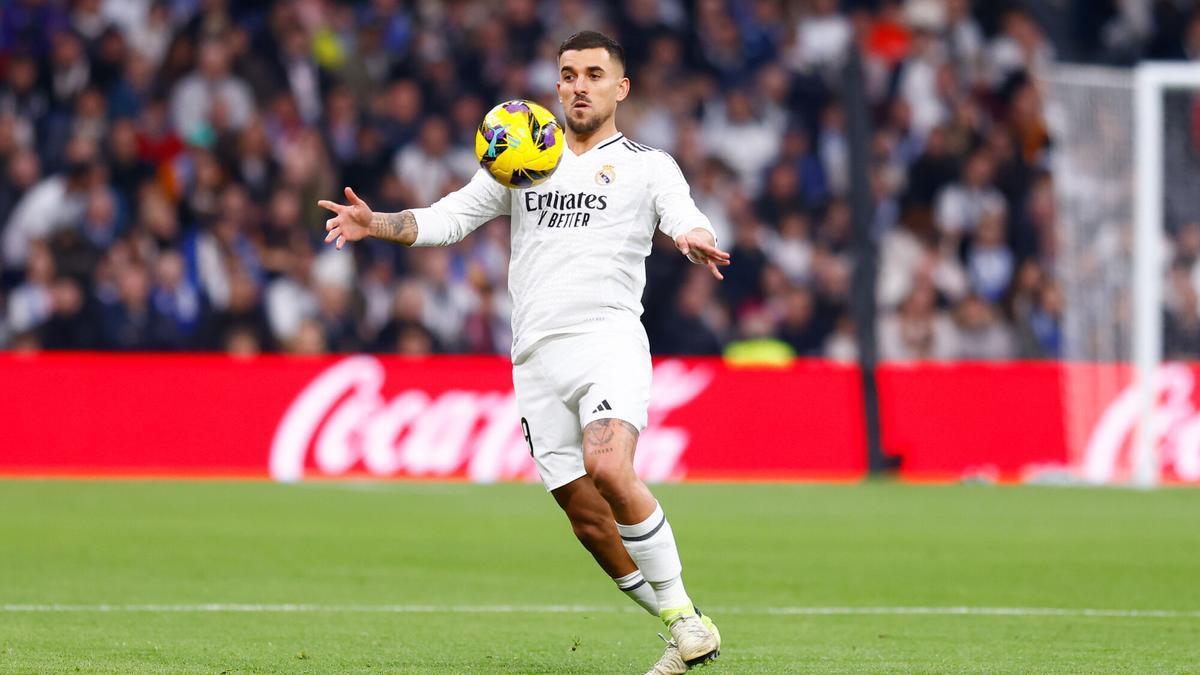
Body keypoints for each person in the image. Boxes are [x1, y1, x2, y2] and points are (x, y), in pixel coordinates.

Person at [318, 30, 729, 675]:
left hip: (607, 339)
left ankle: (681, 615)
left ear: (621, 88)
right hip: (535, 358)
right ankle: (684, 626)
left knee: (610, 468)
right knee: (588, 521)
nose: (579, 86)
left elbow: (683, 214)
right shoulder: (525, 155)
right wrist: (379, 224)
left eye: (594, 74)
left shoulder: (650, 164)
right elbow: (450, 217)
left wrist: (694, 237)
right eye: (568, 74)